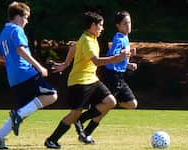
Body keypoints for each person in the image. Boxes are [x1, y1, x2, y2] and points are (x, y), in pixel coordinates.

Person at [44, 11, 130, 149]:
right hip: (79, 82)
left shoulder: (90, 37)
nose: (102, 28)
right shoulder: (87, 40)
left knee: (110, 102)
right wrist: (117, 58)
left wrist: (65, 64)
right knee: (74, 113)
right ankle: (52, 140)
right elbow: (96, 61)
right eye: (100, 25)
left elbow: (73, 47)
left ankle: (80, 120)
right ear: (92, 25)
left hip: (92, 79)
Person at [0, 2, 58, 149]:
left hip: (13, 78)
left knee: (25, 109)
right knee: (52, 95)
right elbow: (21, 50)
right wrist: (39, 66)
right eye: (26, 17)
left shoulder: (5, 31)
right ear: (18, 17)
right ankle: (17, 116)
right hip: (25, 72)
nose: (27, 21)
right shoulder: (17, 29)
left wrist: (11, 61)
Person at [74, 10, 138, 144]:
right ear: (118, 26)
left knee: (132, 104)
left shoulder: (125, 38)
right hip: (112, 77)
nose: (128, 26)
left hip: (119, 76)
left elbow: (118, 59)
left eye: (129, 23)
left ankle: (88, 123)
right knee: (107, 105)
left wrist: (128, 65)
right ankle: (84, 127)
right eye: (125, 23)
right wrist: (124, 53)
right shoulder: (119, 38)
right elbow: (114, 55)